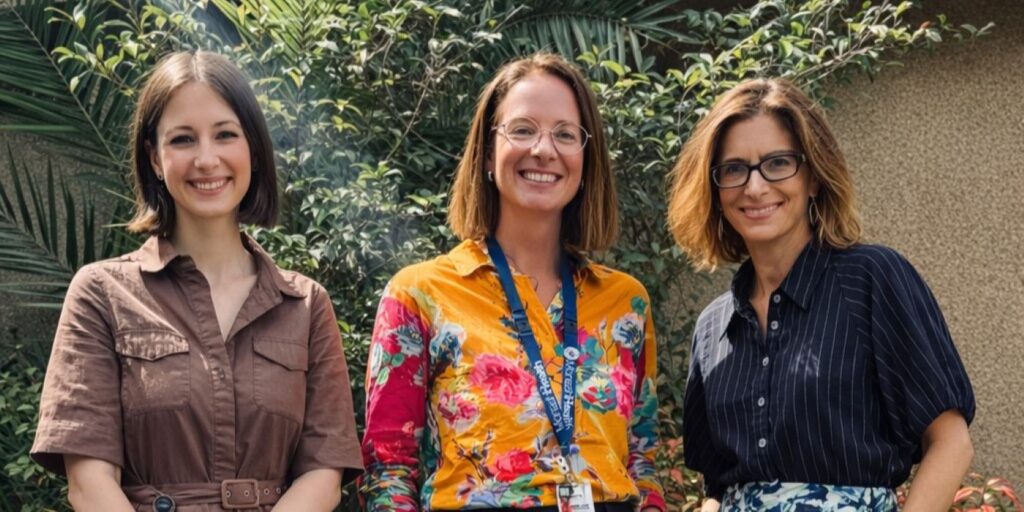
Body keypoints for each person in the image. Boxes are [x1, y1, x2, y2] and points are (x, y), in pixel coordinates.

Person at [31, 50, 363, 511]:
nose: (207, 159)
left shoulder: (305, 305)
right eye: (183, 139)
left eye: (225, 135)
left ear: (253, 149)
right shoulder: (102, 293)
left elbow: (323, 475)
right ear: (155, 158)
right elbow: (89, 482)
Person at [360, 53, 665, 512]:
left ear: (586, 160)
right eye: (522, 130)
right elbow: (388, 470)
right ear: (488, 153)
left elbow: (642, 460)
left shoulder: (627, 304)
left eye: (565, 134)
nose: (544, 149)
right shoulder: (420, 295)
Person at [667, 78, 975, 511]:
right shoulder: (712, 327)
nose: (754, 187)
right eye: (734, 169)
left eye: (777, 163)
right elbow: (717, 488)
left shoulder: (872, 279)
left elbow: (951, 442)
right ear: (715, 190)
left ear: (813, 177)